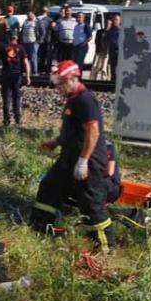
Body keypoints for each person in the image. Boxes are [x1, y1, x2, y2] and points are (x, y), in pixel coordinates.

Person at [29, 60, 116, 252]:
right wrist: (57, 142)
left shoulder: (86, 99)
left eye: (61, 83)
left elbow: (93, 131)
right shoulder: (73, 98)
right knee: (49, 187)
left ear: (73, 79)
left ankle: (106, 247)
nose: (58, 88)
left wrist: (83, 161)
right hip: (69, 156)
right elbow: (73, 129)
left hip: (88, 161)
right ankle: (41, 228)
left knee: (91, 204)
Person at [0, 34, 31, 126]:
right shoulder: (21, 48)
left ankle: (6, 120)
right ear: (16, 39)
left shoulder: (4, 48)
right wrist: (28, 76)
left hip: (6, 75)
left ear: (8, 38)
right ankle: (18, 119)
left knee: (6, 98)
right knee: (17, 98)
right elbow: (26, 63)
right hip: (17, 75)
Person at [37, 6, 53, 74]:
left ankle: (43, 69)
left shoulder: (49, 20)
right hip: (40, 40)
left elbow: (51, 31)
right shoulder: (37, 19)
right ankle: (41, 69)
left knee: (43, 56)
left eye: (45, 11)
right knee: (40, 56)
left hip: (45, 40)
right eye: (44, 11)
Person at [108, 14, 121, 80]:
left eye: (116, 19)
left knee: (118, 69)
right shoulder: (111, 30)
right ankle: (112, 83)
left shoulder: (122, 30)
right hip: (112, 52)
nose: (114, 21)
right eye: (113, 20)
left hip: (119, 53)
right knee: (112, 69)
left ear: (120, 21)